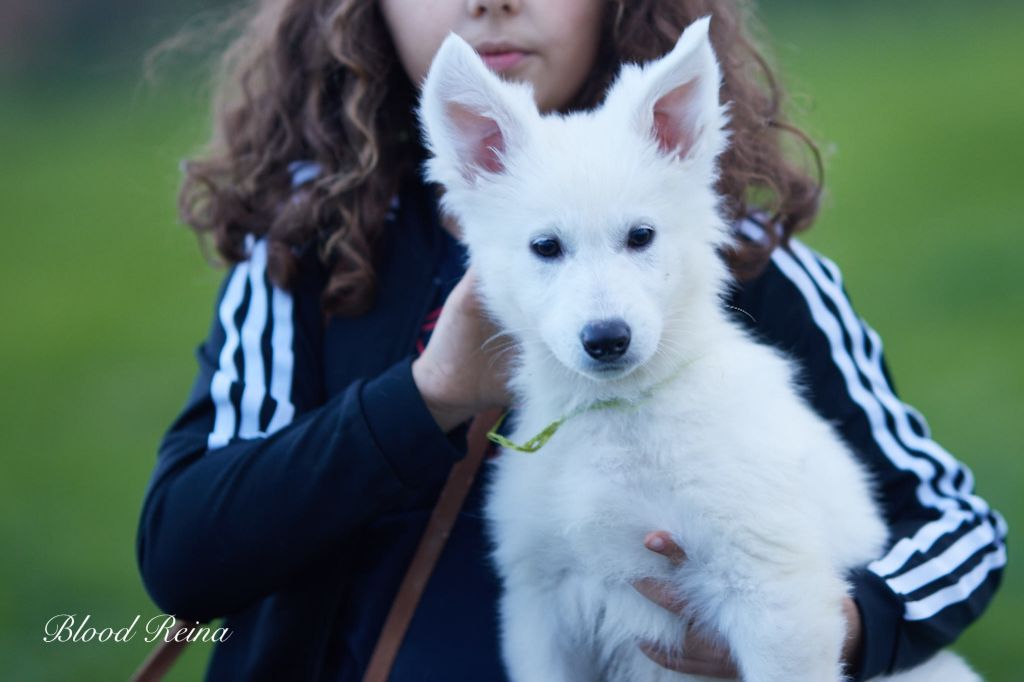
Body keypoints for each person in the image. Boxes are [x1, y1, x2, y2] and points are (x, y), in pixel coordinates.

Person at [136, 0, 1007, 680]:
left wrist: (839, 629)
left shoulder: (738, 266)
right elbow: (184, 552)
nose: (493, 4)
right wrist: (428, 395)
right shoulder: (300, 259)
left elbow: (959, 528)